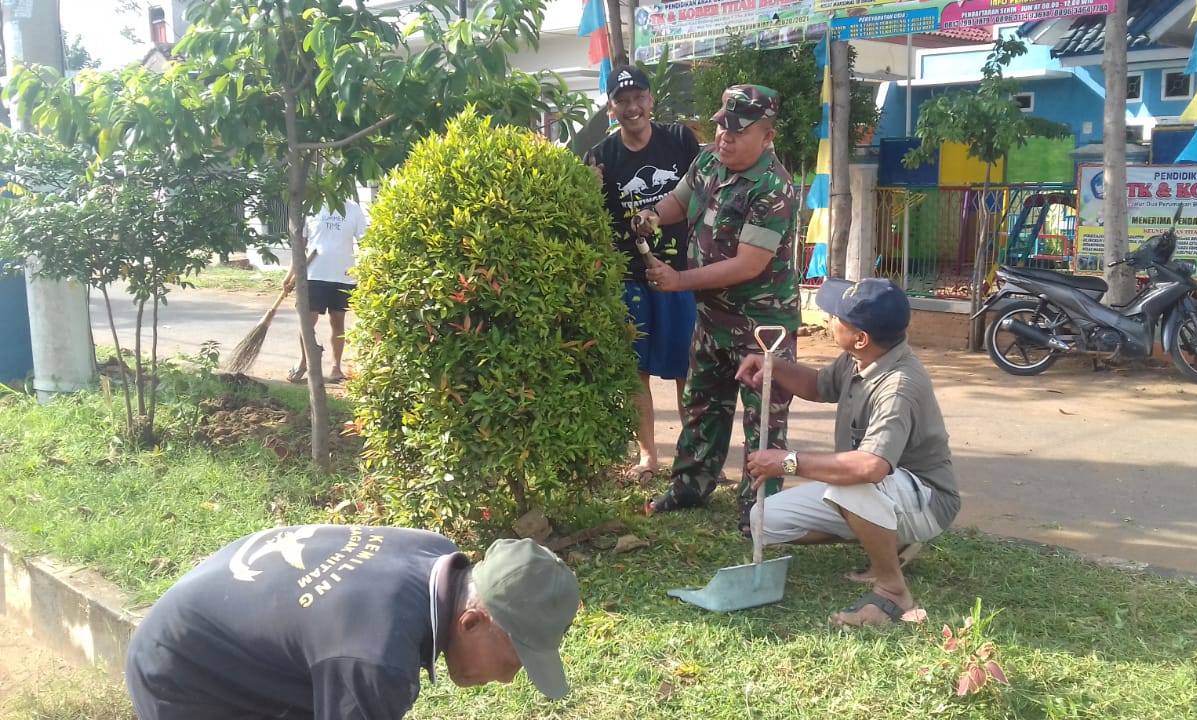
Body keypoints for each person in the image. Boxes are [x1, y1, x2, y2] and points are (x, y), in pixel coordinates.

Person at [126, 526, 581, 719]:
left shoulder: (433, 551)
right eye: (515, 661)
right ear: (470, 623)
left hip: (220, 611)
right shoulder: (377, 659)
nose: (506, 681)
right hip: (183, 672)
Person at [736, 278, 960, 627]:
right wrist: (775, 366)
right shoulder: (858, 358)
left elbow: (870, 467)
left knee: (849, 483)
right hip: (877, 492)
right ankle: (889, 540)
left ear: (861, 337)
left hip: (926, 499)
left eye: (836, 317)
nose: (828, 319)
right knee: (764, 520)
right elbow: (816, 385)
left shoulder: (899, 385)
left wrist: (789, 462)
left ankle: (892, 590)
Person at [633, 84, 801, 533]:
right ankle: (690, 487)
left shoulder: (773, 188)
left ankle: (759, 508)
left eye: (737, 130)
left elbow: (749, 264)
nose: (724, 137)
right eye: (721, 125)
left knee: (763, 420)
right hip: (713, 319)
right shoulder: (709, 159)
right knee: (703, 406)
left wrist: (679, 281)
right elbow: (681, 200)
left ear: (767, 136)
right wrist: (654, 214)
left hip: (763, 328)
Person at [585, 65, 701, 482]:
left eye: (639, 98)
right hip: (629, 276)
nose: (632, 107)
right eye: (622, 100)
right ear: (611, 107)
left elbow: (704, 189)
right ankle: (648, 456)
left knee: (687, 366)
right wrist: (588, 187)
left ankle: (691, 455)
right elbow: (591, 216)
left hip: (681, 270)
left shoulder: (681, 139)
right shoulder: (601, 155)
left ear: (651, 100)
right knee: (638, 369)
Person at [287, 198, 367, 384]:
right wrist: (289, 275)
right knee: (307, 322)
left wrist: (364, 272)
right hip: (313, 275)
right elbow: (300, 246)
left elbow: (365, 243)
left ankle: (335, 368)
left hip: (344, 277)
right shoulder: (311, 207)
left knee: (338, 322)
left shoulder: (353, 209)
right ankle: (304, 363)